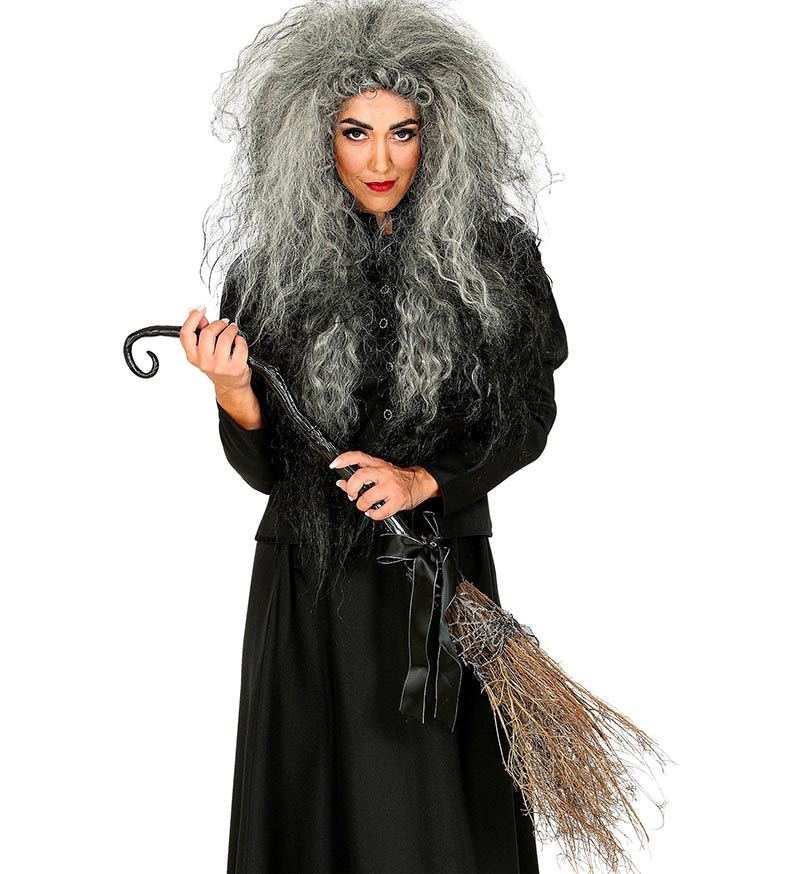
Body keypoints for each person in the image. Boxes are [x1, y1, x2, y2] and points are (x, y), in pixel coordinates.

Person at [179, 1, 568, 871]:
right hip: (307, 587)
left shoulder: (498, 259)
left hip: (436, 583)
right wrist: (235, 392)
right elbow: (268, 470)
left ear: (443, 135)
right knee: (311, 814)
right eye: (356, 132)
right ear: (314, 138)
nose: (381, 160)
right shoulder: (269, 269)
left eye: (404, 132)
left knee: (431, 821)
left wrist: (424, 481)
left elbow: (528, 416)